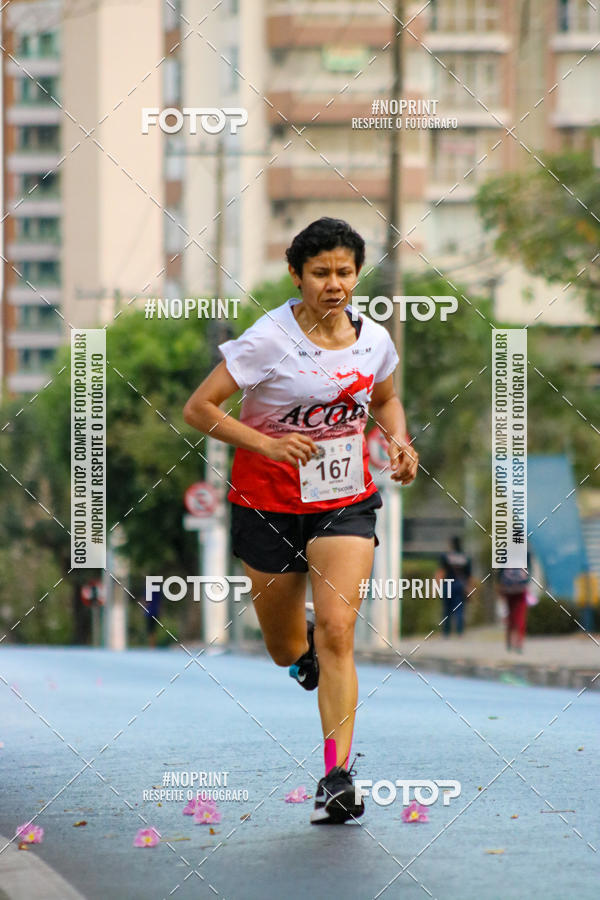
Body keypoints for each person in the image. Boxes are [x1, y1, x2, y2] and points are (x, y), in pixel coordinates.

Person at [183, 217, 418, 824]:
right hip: (267, 502)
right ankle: (303, 648)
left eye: (345, 272)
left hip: (343, 498)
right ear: (297, 275)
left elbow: (386, 398)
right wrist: (266, 445)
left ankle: (337, 775)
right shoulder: (268, 339)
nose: (334, 284)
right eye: (321, 273)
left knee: (340, 631)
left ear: (357, 275)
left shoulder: (375, 341)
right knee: (286, 646)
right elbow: (199, 408)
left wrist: (399, 442)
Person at [435, 536, 472, 636]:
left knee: (446, 609)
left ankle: (446, 632)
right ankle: (460, 632)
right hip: (460, 585)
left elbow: (441, 572)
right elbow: (468, 576)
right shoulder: (465, 557)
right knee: (459, 609)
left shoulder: (446, 556)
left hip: (448, 584)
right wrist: (469, 589)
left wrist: (437, 586)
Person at [498, 565, 530, 652]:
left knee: (510, 615)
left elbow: (499, 570)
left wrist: (500, 585)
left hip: (508, 589)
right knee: (520, 616)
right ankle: (519, 643)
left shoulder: (504, 552)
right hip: (521, 589)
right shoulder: (526, 552)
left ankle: (509, 641)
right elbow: (529, 570)